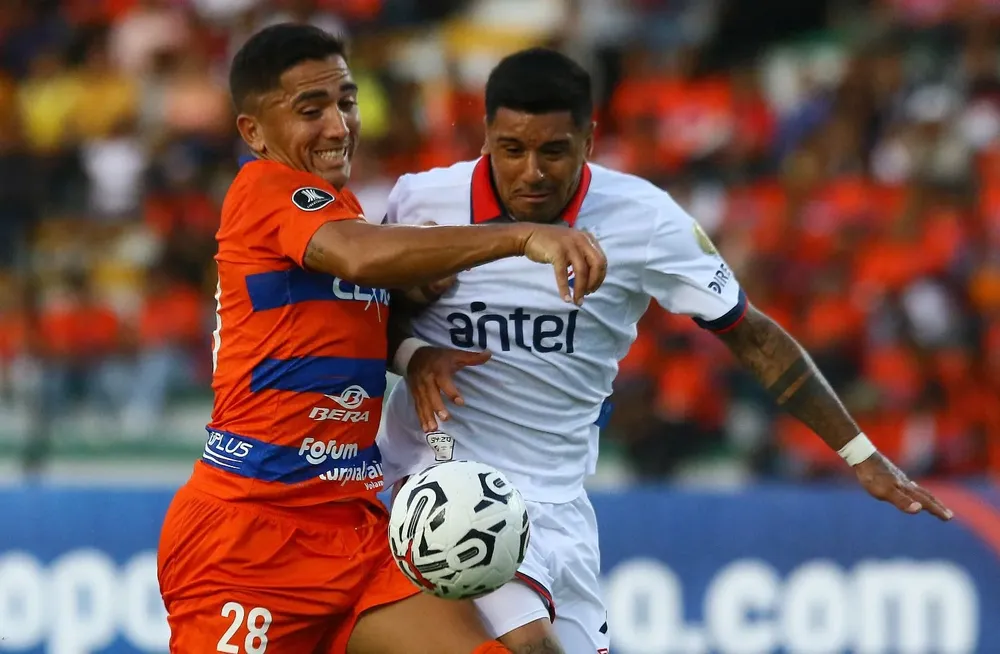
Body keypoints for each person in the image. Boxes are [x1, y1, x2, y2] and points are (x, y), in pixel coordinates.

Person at [376, 48, 955, 654]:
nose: (532, 173)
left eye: (554, 151)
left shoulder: (642, 219)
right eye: (511, 149)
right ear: (486, 136)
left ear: (589, 140)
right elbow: (356, 321)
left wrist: (860, 453)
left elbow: (751, 333)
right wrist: (414, 353)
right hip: (442, 482)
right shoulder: (421, 203)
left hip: (557, 503)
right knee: (531, 647)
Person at [156, 25, 606, 654]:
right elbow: (360, 259)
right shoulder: (263, 191)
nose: (339, 126)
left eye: (346, 101)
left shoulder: (340, 218)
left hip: (353, 532)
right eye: (312, 110)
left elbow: (351, 305)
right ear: (254, 133)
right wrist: (519, 236)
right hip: (250, 537)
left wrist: (414, 348)